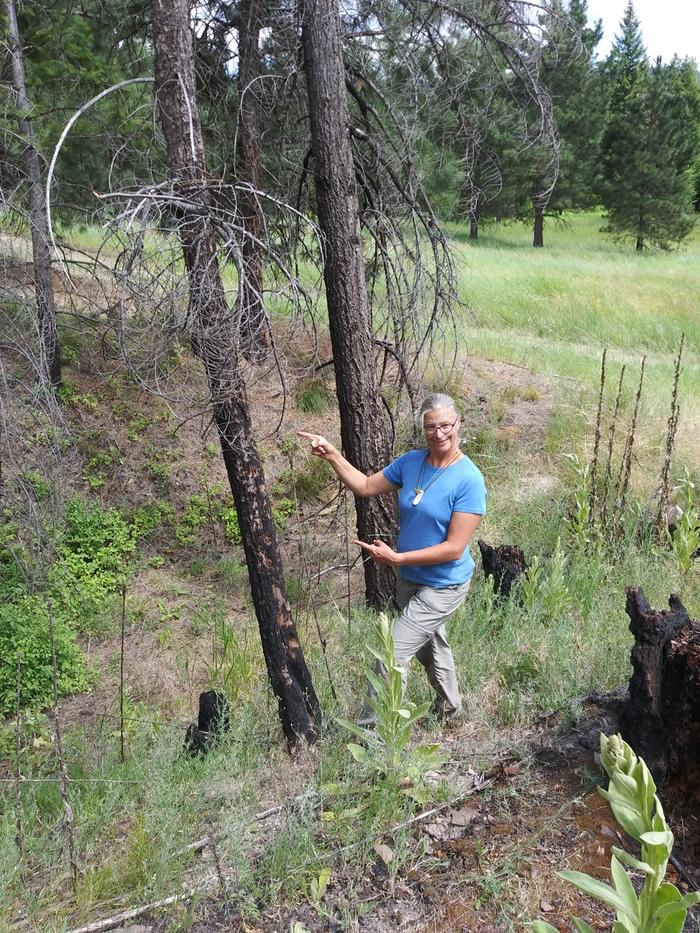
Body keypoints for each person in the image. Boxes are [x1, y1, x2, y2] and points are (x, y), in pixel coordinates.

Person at [298, 392, 487, 725]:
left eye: (446, 425)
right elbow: (366, 485)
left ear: (458, 424)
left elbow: (454, 548)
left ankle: (369, 736)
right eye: (431, 427)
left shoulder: (469, 479)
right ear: (423, 429)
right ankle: (452, 712)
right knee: (431, 645)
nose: (439, 433)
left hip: (444, 584)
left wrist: (397, 558)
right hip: (410, 578)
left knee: (390, 654)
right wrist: (332, 455)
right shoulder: (412, 462)